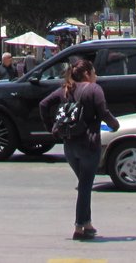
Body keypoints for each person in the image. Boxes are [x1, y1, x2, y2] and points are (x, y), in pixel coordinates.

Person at [39, 58, 119, 241]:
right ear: (86, 74)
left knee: (85, 185)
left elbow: (43, 104)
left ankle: (87, 224)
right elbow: (103, 111)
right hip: (89, 145)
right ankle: (79, 226)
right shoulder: (94, 89)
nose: (96, 76)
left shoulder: (65, 89)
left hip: (69, 147)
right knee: (85, 186)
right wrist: (115, 125)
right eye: (94, 72)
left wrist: (51, 128)